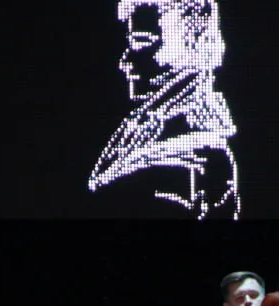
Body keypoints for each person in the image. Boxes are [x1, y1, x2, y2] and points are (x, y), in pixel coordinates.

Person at [88, 0, 240, 219]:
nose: (125, 61)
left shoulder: (190, 161)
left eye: (141, 42)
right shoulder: (149, 126)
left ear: (194, 45)